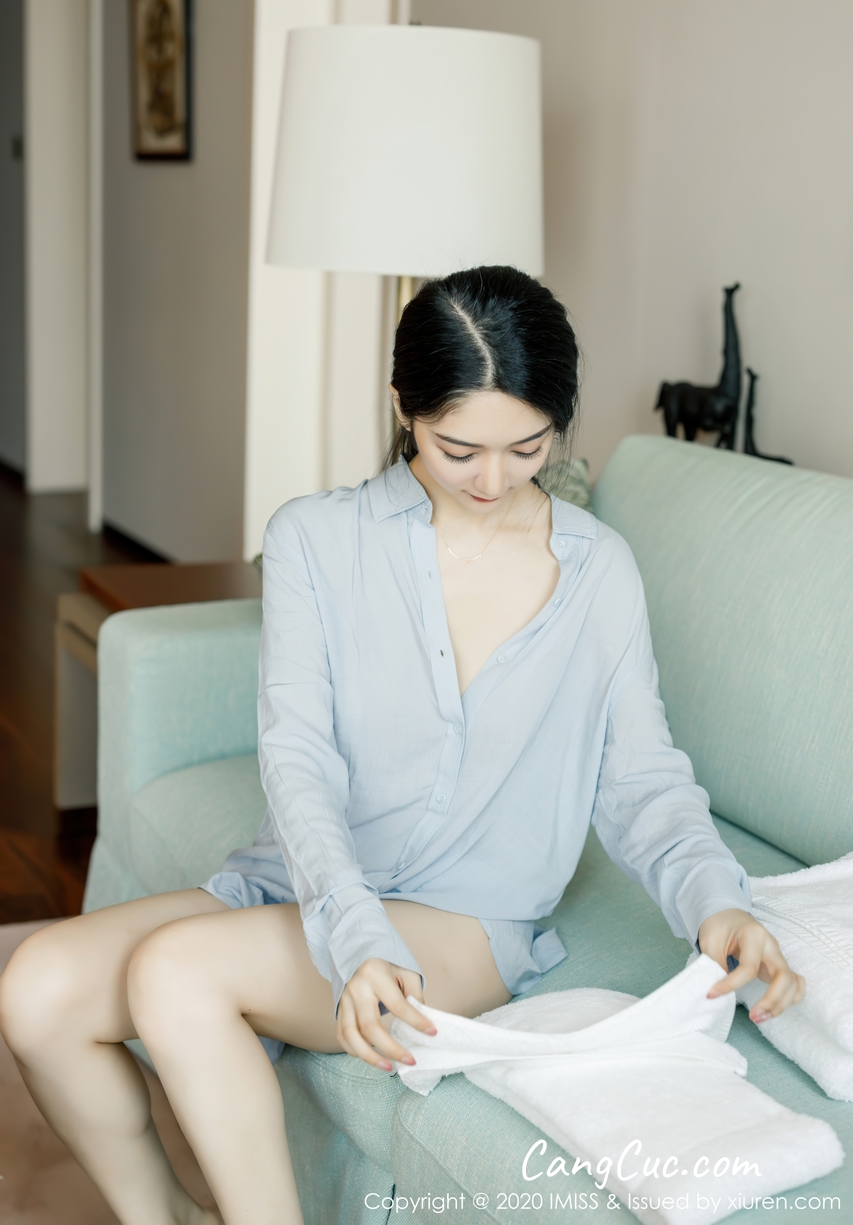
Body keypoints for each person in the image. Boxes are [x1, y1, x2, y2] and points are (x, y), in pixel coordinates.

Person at [0, 265, 804, 1225]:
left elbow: (641, 778)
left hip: (464, 919)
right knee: (36, 990)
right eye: (459, 448)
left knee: (174, 973)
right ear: (402, 409)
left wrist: (716, 900)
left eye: (527, 447)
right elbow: (297, 755)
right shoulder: (314, 539)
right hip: (306, 881)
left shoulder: (599, 573)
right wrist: (353, 930)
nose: (493, 481)